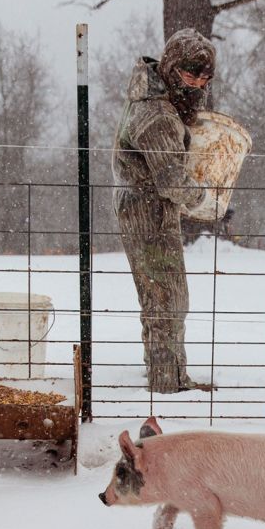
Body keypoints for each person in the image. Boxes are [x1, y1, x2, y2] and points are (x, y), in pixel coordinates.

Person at [112, 28, 220, 394]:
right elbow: (172, 180)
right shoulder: (155, 114)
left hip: (147, 207)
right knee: (165, 301)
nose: (198, 85)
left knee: (166, 298)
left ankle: (170, 377)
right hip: (147, 214)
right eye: (191, 74)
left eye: (205, 77)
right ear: (173, 69)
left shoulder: (160, 97)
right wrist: (203, 198)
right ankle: (167, 388)